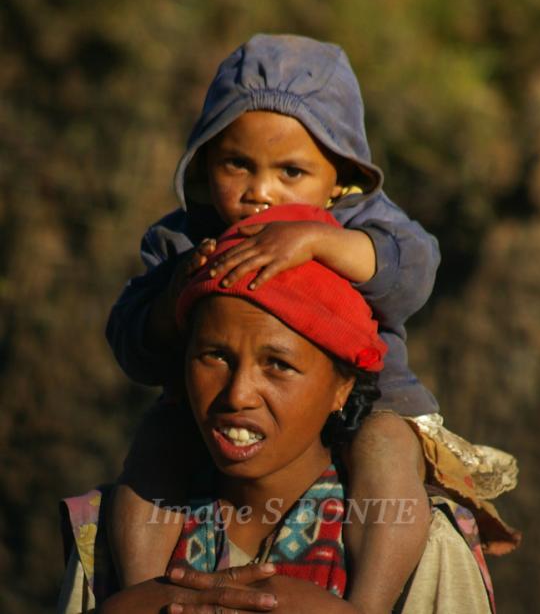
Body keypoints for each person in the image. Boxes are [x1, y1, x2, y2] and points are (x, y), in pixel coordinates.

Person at [105, 34, 518, 609]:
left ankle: (367, 603)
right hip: (198, 411)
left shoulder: (363, 220)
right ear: (204, 164)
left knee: (386, 455)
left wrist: (322, 242)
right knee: (150, 453)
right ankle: (140, 595)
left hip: (379, 401)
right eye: (237, 165)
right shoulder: (179, 238)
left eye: (291, 173)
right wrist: (175, 296)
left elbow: (412, 272)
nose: (261, 193)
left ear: (341, 176)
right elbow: (130, 340)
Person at [59, 204, 497, 613]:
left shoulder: (425, 545)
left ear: (341, 388)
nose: (238, 394)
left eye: (278, 365)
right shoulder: (105, 539)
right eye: (214, 356)